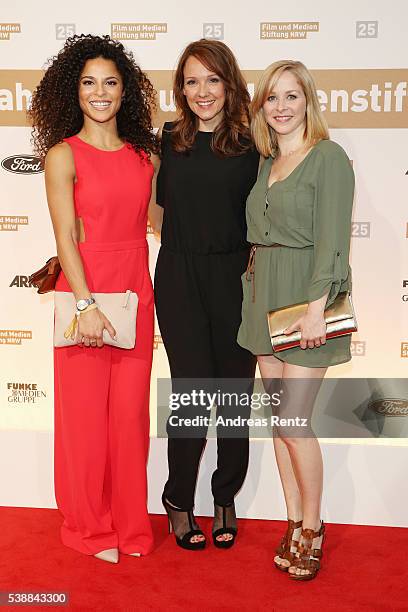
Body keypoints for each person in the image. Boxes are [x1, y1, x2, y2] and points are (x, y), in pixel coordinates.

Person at [29, 34, 159, 563]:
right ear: (73, 91)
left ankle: (131, 527)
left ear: (125, 89)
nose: (100, 92)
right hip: (84, 293)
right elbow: (65, 237)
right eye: (89, 83)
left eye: (110, 82)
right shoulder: (62, 155)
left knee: (129, 422)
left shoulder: (145, 155)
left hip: (134, 292)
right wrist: (84, 304)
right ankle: (88, 527)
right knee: (85, 423)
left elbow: (163, 220)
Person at [237, 60, 354, 580]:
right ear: (262, 106)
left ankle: (312, 526)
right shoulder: (266, 163)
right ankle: (291, 520)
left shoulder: (327, 158)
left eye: (291, 96)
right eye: (271, 98)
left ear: (308, 100)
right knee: (280, 428)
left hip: (306, 302)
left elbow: (333, 240)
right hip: (264, 299)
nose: (281, 107)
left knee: (292, 423)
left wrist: (316, 309)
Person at [149, 39, 259, 550]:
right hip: (178, 275)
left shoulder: (253, 140)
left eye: (212, 79)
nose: (202, 91)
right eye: (191, 81)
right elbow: (150, 205)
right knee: (192, 395)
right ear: (181, 88)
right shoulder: (167, 138)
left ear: (229, 83)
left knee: (234, 396)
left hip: (237, 277)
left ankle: (225, 496)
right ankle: (177, 498)